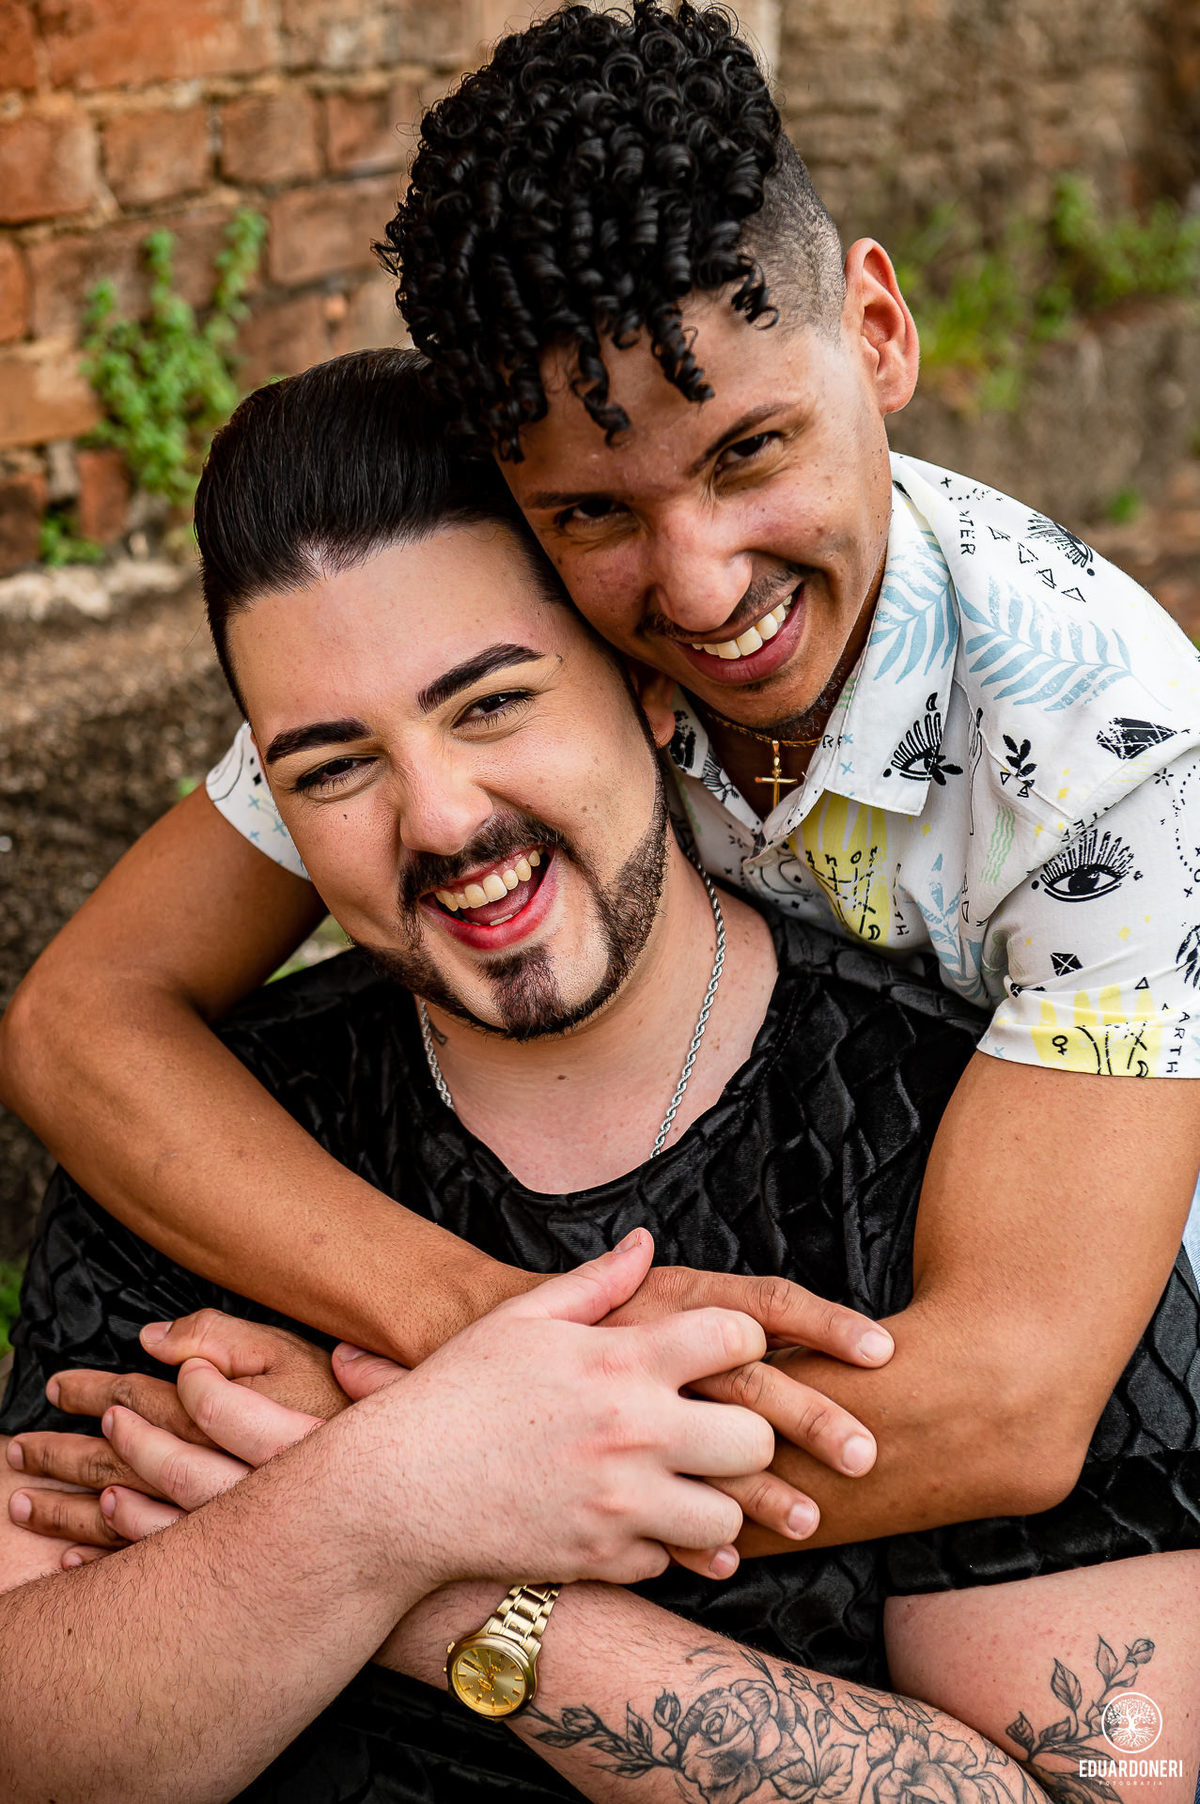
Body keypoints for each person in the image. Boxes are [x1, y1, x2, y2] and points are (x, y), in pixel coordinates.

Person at [2, 5, 1198, 1530]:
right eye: (596, 513)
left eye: (751, 453)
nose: (697, 592)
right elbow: (81, 1018)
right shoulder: (504, 615)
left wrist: (398, 1484)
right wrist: (483, 1337)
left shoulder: (1119, 753)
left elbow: (1007, 1407)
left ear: (880, 337)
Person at [2, 350, 1198, 1802]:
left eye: (495, 703)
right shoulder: (199, 1151)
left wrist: (427, 1540)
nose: (440, 815)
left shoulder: (962, 1154)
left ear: (646, 688)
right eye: (332, 768)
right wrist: (401, 1484)